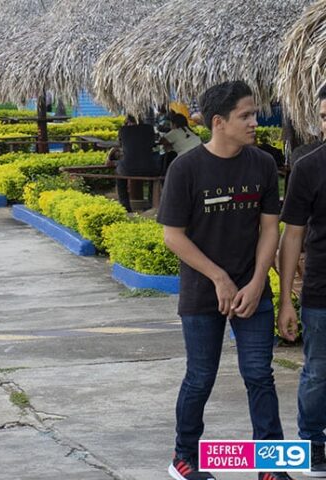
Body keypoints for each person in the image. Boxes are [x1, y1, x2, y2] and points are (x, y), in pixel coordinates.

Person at [157, 80, 291, 480]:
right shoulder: (186, 168)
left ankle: (270, 466)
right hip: (203, 293)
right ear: (219, 122)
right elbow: (172, 235)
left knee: (259, 375)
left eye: (254, 114)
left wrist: (254, 283)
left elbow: (271, 229)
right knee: (200, 376)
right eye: (245, 116)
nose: (254, 122)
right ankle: (185, 459)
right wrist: (218, 277)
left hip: (253, 290)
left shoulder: (263, 164)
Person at [277, 83, 326, 477]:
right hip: (321, 291)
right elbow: (291, 234)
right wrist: (286, 299)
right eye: (324, 118)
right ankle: (311, 444)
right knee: (318, 371)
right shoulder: (309, 166)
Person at [115, 115, 158, 212]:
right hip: (149, 167)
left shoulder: (123, 130)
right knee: (155, 175)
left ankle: (125, 205)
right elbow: (153, 143)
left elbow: (120, 144)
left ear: (128, 121)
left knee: (118, 174)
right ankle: (151, 203)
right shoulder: (149, 128)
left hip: (128, 169)